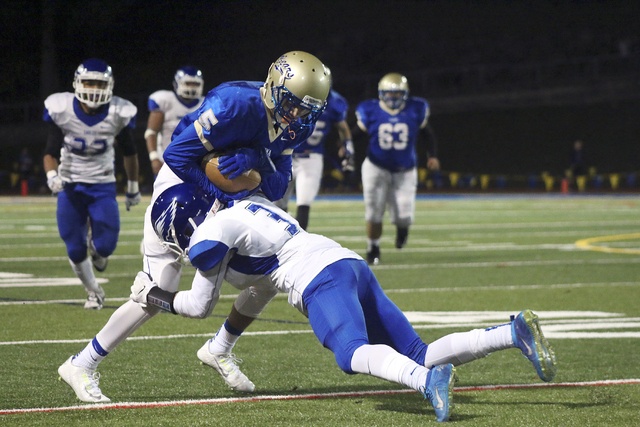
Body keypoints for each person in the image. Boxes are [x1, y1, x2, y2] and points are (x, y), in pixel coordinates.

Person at [128, 185, 556, 422]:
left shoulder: (207, 237)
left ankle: (426, 383)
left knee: (350, 354)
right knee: (419, 352)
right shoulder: (248, 205)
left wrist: (152, 294)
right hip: (348, 262)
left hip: (319, 278)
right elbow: (255, 287)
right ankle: (512, 332)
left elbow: (199, 305)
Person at [57, 51, 332, 400]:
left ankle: (217, 348)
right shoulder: (234, 105)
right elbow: (176, 157)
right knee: (209, 296)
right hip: (182, 190)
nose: (297, 115)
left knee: (267, 278)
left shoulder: (293, 125)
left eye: (307, 109)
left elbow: (278, 187)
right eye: (293, 104)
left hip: (229, 199)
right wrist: (221, 192)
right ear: (274, 87)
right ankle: (84, 362)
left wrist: (257, 159)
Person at [42, 58, 141, 309]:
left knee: (105, 248)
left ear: (109, 86)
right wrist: (51, 175)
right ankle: (93, 291)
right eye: (89, 82)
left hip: (102, 187)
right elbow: (50, 151)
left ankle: (97, 250)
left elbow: (130, 152)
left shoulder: (119, 112)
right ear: (77, 83)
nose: (94, 89)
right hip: (71, 186)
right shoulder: (61, 108)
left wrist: (132, 187)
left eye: (99, 84)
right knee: (75, 249)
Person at [354, 73, 440, 265]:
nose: (393, 98)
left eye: (398, 94)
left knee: (404, 216)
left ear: (405, 94)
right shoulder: (371, 110)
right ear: (381, 94)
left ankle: (402, 229)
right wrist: (346, 147)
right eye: (389, 94)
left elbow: (428, 134)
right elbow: (357, 134)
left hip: (405, 170)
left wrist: (432, 155)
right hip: (376, 167)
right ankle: (373, 247)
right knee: (374, 211)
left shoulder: (415, 109)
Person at [274, 89, 354, 230]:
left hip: (311, 156)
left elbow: (343, 128)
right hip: (285, 154)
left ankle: (299, 243)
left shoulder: (333, 103)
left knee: (304, 202)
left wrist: (348, 148)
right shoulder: (292, 96)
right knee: (277, 203)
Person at [145, 66, 205, 177]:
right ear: (177, 84)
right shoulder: (165, 101)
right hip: (168, 162)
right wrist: (154, 158)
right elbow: (151, 132)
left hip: (197, 163)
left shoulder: (206, 104)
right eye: (188, 83)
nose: (192, 87)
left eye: (195, 84)